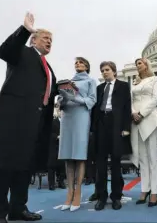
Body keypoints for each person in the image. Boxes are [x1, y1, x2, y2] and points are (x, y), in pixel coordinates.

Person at [0, 13, 57, 223]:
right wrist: (24, 30)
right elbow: (5, 51)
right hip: (11, 123)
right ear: (34, 39)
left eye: (51, 40)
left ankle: (18, 208)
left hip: (34, 126)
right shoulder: (22, 52)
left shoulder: (47, 67)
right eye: (45, 38)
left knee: (24, 169)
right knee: (2, 169)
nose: (49, 41)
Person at [91, 61, 132, 211]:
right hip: (102, 124)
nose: (104, 72)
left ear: (114, 71)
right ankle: (101, 196)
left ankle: (116, 197)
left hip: (116, 125)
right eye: (102, 70)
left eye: (107, 70)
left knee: (116, 162)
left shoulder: (123, 86)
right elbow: (95, 109)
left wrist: (126, 128)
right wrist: (93, 128)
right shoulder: (99, 88)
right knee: (100, 163)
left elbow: (127, 107)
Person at [58, 57, 97, 212]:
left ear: (87, 66)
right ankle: (69, 193)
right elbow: (62, 100)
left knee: (79, 155)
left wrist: (75, 97)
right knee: (68, 155)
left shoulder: (90, 81)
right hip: (67, 116)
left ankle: (78, 193)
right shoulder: (67, 81)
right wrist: (63, 98)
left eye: (81, 62)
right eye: (76, 63)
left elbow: (92, 100)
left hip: (81, 116)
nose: (78, 64)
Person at [130, 58, 157, 207]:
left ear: (146, 65)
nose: (138, 66)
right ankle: (145, 189)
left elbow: (156, 98)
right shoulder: (134, 83)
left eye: (140, 63)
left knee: (152, 156)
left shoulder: (155, 79)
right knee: (142, 157)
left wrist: (142, 113)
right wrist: (133, 113)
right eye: (136, 64)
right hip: (135, 120)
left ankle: (155, 191)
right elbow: (129, 100)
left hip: (149, 117)